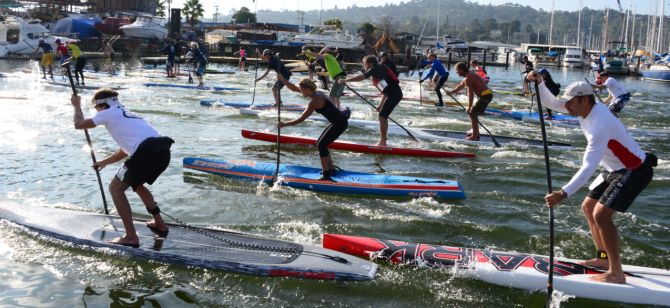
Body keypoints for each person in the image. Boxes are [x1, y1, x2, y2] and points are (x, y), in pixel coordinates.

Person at [527, 71, 656, 284]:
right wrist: (540, 82)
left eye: (571, 103)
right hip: (614, 169)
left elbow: (588, 166)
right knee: (588, 207)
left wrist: (563, 193)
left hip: (635, 170)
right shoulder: (582, 110)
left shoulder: (600, 123)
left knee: (601, 215)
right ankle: (603, 259)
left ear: (585, 99)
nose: (566, 107)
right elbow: (551, 101)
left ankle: (617, 273)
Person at [70, 88, 175, 248]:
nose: (97, 113)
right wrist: (104, 162)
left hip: (146, 153)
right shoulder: (126, 113)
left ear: (102, 105)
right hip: (162, 152)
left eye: (96, 108)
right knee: (137, 184)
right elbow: (125, 150)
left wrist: (76, 105)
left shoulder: (107, 112)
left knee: (115, 189)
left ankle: (131, 237)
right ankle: (159, 223)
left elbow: (78, 125)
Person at [277, 76, 349, 181]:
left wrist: (284, 124)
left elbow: (301, 119)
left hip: (340, 123)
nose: (301, 93)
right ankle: (331, 169)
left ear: (307, 89)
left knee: (321, 145)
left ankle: (326, 174)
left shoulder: (315, 100)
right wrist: (282, 80)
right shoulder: (315, 92)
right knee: (320, 143)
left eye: (302, 91)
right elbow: (294, 88)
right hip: (337, 122)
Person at [340, 55, 403, 147]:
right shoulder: (378, 70)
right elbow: (385, 91)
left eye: (364, 64)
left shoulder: (376, 68)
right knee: (382, 115)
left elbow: (362, 77)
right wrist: (380, 105)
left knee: (382, 116)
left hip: (394, 95)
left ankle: (383, 142)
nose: (364, 66)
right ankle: (383, 141)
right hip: (392, 94)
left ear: (370, 63)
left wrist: (346, 80)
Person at [445, 62, 492, 141]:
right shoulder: (468, 75)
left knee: (472, 112)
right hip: (485, 95)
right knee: (472, 113)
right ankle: (476, 132)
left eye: (457, 71)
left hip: (486, 96)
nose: (457, 73)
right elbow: (461, 85)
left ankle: (475, 136)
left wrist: (469, 107)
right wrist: (451, 92)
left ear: (461, 70)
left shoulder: (469, 78)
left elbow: (470, 94)